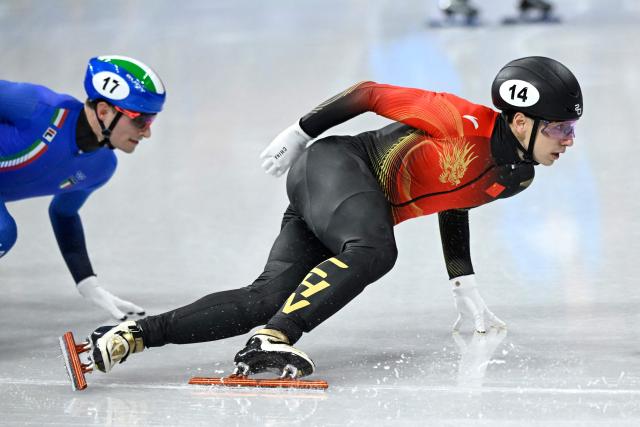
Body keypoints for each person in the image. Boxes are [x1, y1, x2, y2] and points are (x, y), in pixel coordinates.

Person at [86, 56, 582, 380]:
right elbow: (368, 92)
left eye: (572, 128)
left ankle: (132, 336)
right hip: (336, 166)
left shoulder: (517, 177)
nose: (568, 140)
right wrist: (300, 131)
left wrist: (464, 286)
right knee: (375, 250)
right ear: (521, 120)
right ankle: (273, 340)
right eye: (561, 127)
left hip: (344, 206)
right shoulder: (459, 118)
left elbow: (455, 204)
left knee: (266, 297)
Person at [1, 56, 166, 320]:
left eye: (151, 121)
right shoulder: (37, 107)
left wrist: (87, 282)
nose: (147, 133)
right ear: (103, 111)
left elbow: (64, 213)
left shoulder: (100, 167)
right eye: (141, 121)